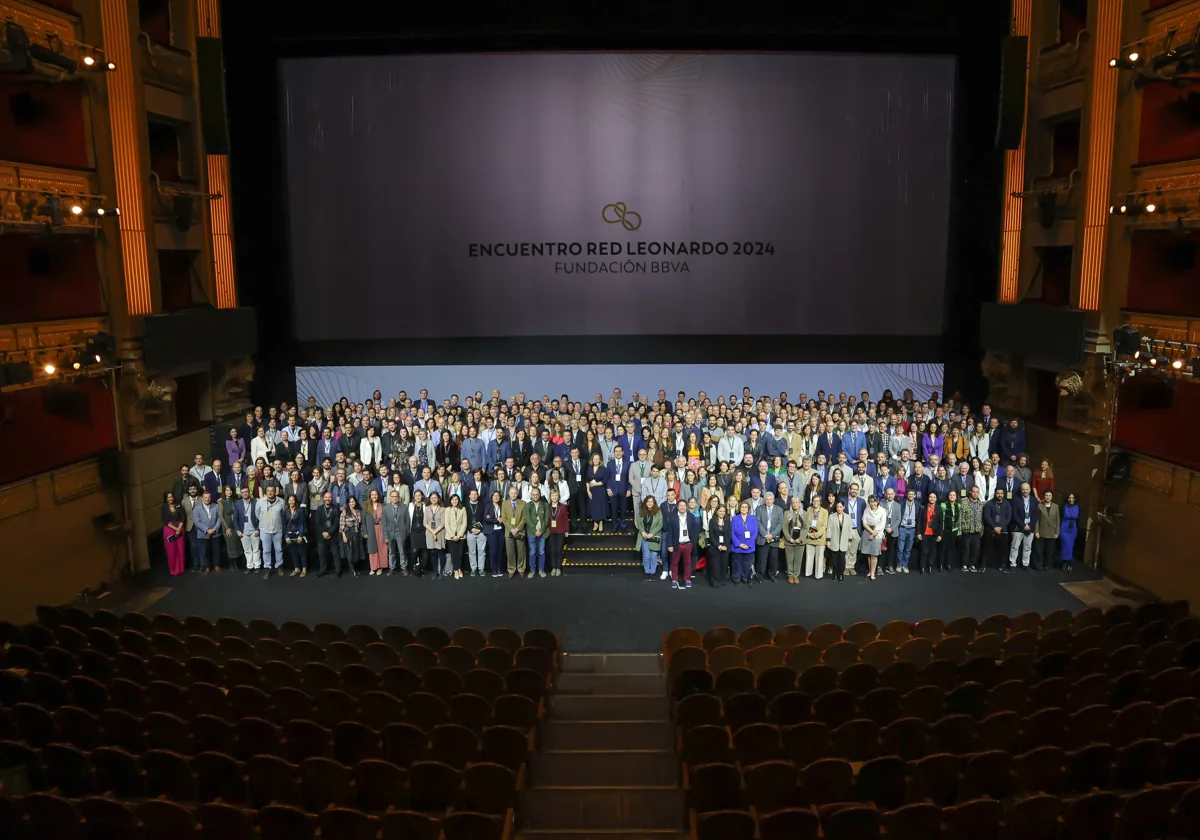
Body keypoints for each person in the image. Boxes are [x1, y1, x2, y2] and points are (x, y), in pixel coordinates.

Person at [664, 499, 700, 589]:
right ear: (677, 507)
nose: (682, 507)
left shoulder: (691, 517)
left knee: (687, 563)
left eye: (684, 505)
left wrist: (692, 543)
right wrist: (670, 545)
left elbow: (696, 531)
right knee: (674, 563)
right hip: (677, 544)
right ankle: (674, 580)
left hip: (688, 544)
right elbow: (669, 533)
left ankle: (687, 580)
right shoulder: (673, 517)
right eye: (680, 505)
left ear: (686, 506)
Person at [1008, 482, 1038, 571]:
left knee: (1028, 547)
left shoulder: (1033, 500)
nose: (1025, 491)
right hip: (1018, 527)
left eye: (1027, 489)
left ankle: (1025, 564)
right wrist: (1023, 525)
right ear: (1021, 490)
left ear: (1030, 490)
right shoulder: (1016, 499)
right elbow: (1014, 514)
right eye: (1023, 489)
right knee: (1015, 547)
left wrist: (1030, 525)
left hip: (1030, 527)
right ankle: (1012, 564)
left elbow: (1036, 514)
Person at [983, 487, 1012, 573]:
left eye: (1001, 493)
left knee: (1003, 549)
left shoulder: (1007, 504)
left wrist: (1001, 527)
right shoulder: (989, 504)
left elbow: (1008, 518)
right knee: (986, 548)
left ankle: (1002, 566)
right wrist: (994, 527)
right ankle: (983, 565)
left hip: (1003, 529)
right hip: (991, 529)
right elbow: (987, 517)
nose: (1000, 495)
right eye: (998, 493)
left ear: (1004, 494)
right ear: (995, 494)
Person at [314, 491, 342, 577]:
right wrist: (323, 532)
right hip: (322, 536)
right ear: (323, 498)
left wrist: (329, 533)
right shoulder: (319, 509)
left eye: (329, 497)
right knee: (321, 554)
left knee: (336, 554)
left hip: (332, 535)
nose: (327, 499)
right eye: (326, 497)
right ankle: (323, 570)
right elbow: (317, 522)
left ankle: (338, 571)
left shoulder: (336, 509)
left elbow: (336, 523)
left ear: (332, 498)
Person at [755, 492, 782, 581]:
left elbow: (780, 524)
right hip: (763, 537)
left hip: (774, 538)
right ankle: (760, 576)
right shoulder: (759, 509)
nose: (768, 501)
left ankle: (772, 575)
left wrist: (772, 535)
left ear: (773, 500)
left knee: (773, 559)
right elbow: (757, 522)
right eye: (767, 499)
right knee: (761, 559)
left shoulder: (779, 510)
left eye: (770, 499)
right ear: (764, 500)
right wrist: (766, 535)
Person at [635, 496, 664, 581]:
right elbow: (639, 523)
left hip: (654, 536)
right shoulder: (641, 511)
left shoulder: (658, 512)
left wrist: (652, 533)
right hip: (644, 535)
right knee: (646, 556)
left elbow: (660, 524)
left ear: (654, 503)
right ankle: (647, 572)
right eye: (648, 501)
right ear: (645, 502)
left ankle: (652, 572)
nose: (650, 503)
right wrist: (643, 532)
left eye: (651, 501)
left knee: (654, 555)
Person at [383, 489, 410, 576]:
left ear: (398, 497)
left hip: (401, 533)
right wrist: (385, 536)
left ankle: (404, 567)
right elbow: (384, 524)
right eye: (393, 496)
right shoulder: (386, 508)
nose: (395, 498)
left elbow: (407, 521)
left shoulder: (404, 507)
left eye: (396, 496)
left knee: (402, 551)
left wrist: (406, 533)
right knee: (391, 552)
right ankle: (392, 568)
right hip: (390, 533)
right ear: (390, 498)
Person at [502, 485, 527, 578]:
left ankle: (521, 568)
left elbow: (524, 518)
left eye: (515, 493)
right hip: (509, 531)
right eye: (512, 493)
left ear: (517, 494)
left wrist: (517, 529)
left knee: (521, 551)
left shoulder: (523, 503)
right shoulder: (504, 503)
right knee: (510, 552)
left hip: (520, 531)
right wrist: (511, 529)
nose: (513, 495)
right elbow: (504, 518)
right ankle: (511, 569)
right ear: (509, 494)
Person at [731, 500, 758, 584]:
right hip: (737, 546)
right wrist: (739, 544)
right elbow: (732, 533)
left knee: (747, 564)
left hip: (749, 546)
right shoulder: (735, 518)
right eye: (742, 507)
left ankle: (745, 577)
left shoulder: (753, 518)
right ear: (739, 508)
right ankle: (736, 578)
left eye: (746, 507)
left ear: (748, 508)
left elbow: (755, 532)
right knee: (737, 563)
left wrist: (748, 544)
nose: (744, 508)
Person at [193, 490, 219, 575]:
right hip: (203, 534)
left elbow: (219, 519)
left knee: (216, 550)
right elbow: (197, 522)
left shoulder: (216, 506)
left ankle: (216, 565)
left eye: (209, 497)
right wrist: (207, 529)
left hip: (215, 533)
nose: (207, 499)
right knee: (205, 551)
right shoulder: (197, 508)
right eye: (205, 497)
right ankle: (207, 567)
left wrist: (214, 529)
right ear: (202, 498)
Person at [525, 486, 550, 578]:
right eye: (533, 495)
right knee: (532, 552)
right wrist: (535, 531)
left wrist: (541, 530)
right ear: (531, 495)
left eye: (537, 494)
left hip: (543, 533)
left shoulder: (545, 505)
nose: (535, 496)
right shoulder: (527, 505)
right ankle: (532, 570)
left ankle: (541, 569)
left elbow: (547, 519)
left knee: (541, 551)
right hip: (532, 533)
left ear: (539, 495)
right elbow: (527, 519)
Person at [1034, 489, 1061, 572]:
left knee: (1050, 551)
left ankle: (1047, 565)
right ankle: (1039, 565)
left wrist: (1057, 532)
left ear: (1052, 497)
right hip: (1041, 531)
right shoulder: (1039, 505)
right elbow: (1037, 519)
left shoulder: (1056, 506)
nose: (1048, 497)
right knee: (1039, 550)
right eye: (1046, 495)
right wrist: (1037, 531)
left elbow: (1058, 520)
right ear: (1044, 496)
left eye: (1049, 495)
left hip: (1052, 532)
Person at [282, 493, 308, 577]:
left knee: (302, 552)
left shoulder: (300, 510)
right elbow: (284, 525)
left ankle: (304, 569)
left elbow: (302, 524)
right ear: (288, 501)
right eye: (290, 500)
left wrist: (301, 535)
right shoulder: (285, 512)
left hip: (299, 534)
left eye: (293, 500)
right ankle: (296, 568)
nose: (291, 502)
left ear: (295, 501)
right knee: (293, 553)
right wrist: (286, 536)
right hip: (290, 535)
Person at [803, 497, 828, 579]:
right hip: (809, 536)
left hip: (820, 537)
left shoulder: (825, 511)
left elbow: (825, 525)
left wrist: (817, 534)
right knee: (809, 557)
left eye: (817, 501)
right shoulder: (808, 510)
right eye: (814, 501)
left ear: (820, 502)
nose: (816, 502)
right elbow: (805, 523)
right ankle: (808, 573)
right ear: (812, 502)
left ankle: (818, 575)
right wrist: (809, 534)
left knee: (820, 557)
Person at [161, 491, 186, 575]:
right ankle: (174, 570)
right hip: (169, 530)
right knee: (172, 552)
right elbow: (165, 521)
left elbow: (183, 517)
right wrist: (175, 528)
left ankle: (181, 569)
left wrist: (179, 528)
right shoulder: (164, 507)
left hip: (180, 528)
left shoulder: (178, 505)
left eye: (171, 496)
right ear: (166, 499)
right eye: (168, 497)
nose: (170, 498)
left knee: (181, 550)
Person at [782, 496, 806, 583]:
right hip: (789, 541)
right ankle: (790, 575)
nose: (795, 504)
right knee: (789, 559)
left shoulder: (805, 514)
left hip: (800, 542)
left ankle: (796, 575)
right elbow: (784, 527)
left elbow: (806, 528)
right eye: (793, 502)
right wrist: (789, 538)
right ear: (791, 504)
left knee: (798, 559)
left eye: (797, 502)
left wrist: (800, 539)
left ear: (800, 503)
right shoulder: (787, 513)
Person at [862, 495, 886, 580]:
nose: (872, 504)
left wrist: (874, 533)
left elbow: (882, 524)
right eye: (871, 502)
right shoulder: (866, 510)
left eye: (874, 501)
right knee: (869, 553)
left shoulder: (882, 511)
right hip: (867, 532)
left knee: (874, 555)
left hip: (877, 533)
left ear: (877, 502)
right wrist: (871, 532)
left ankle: (873, 573)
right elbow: (864, 522)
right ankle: (870, 570)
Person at [826, 499, 850, 582]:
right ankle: (835, 574)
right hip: (834, 541)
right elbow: (829, 528)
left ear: (844, 507)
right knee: (834, 560)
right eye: (837, 507)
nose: (839, 508)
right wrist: (828, 540)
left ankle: (841, 574)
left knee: (842, 561)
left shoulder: (848, 517)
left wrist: (849, 541)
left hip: (843, 542)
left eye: (840, 507)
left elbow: (849, 530)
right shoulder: (832, 516)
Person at [341, 495, 366, 576]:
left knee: (356, 551)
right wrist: (344, 535)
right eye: (350, 502)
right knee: (350, 551)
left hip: (357, 533)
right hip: (349, 532)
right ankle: (352, 569)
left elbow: (361, 523)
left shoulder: (359, 511)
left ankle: (354, 568)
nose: (352, 503)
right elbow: (342, 525)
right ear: (348, 503)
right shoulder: (345, 512)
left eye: (353, 501)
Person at [546, 488, 569, 576]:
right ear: (550, 497)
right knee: (552, 550)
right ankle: (553, 567)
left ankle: (558, 568)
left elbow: (566, 519)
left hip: (560, 531)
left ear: (558, 496)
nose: (554, 497)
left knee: (559, 550)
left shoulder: (562, 506)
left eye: (556, 496)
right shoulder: (548, 506)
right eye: (553, 496)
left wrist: (567, 530)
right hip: (551, 531)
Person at [483, 489, 506, 578]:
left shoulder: (503, 505)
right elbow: (486, 518)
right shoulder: (488, 506)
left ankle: (499, 568)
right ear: (491, 497)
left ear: (500, 497)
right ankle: (493, 569)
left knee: (500, 550)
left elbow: (505, 516)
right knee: (493, 551)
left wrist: (500, 518)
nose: (496, 497)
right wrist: (496, 520)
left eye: (498, 496)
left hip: (501, 531)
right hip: (491, 531)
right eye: (494, 496)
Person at [445, 493, 467, 579]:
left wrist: (459, 535)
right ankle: (455, 569)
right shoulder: (447, 510)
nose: (454, 501)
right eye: (453, 500)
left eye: (456, 499)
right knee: (453, 554)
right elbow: (447, 524)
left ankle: (459, 569)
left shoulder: (463, 509)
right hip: (451, 536)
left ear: (458, 500)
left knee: (460, 554)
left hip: (461, 536)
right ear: (450, 501)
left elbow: (464, 523)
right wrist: (452, 536)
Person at [585, 453, 609, 532]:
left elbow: (604, 481)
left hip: (600, 490)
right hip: (592, 491)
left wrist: (595, 484)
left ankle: (601, 522)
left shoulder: (603, 469)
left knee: (600, 506)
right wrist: (588, 490)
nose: (596, 460)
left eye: (597, 459)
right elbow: (587, 480)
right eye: (594, 458)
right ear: (592, 460)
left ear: (600, 460)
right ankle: (595, 522)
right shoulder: (589, 468)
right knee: (593, 506)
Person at [425, 492, 447, 577]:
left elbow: (443, 523)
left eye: (435, 497)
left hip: (440, 533)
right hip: (429, 533)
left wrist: (435, 532)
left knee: (441, 552)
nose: (433, 499)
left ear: (438, 498)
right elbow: (425, 522)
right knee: (433, 552)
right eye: (432, 498)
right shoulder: (426, 508)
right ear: (429, 499)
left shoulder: (442, 509)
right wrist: (432, 532)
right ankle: (435, 572)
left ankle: (441, 571)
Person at [915, 492, 938, 575]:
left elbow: (940, 523)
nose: (932, 499)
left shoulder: (938, 508)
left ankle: (930, 567)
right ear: (928, 498)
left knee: (932, 552)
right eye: (930, 497)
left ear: (936, 499)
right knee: (924, 551)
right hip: (924, 533)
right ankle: (922, 568)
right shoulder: (923, 507)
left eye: (934, 497)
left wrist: (940, 535)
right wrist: (918, 533)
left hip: (934, 534)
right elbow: (919, 521)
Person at [1060, 492, 1079, 572]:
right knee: (1065, 544)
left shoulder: (1077, 507)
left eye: (1072, 498)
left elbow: (1078, 519)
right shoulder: (1063, 506)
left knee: (1071, 545)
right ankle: (1064, 562)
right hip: (1064, 527)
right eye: (1069, 498)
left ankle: (1069, 562)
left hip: (1073, 528)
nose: (1071, 500)